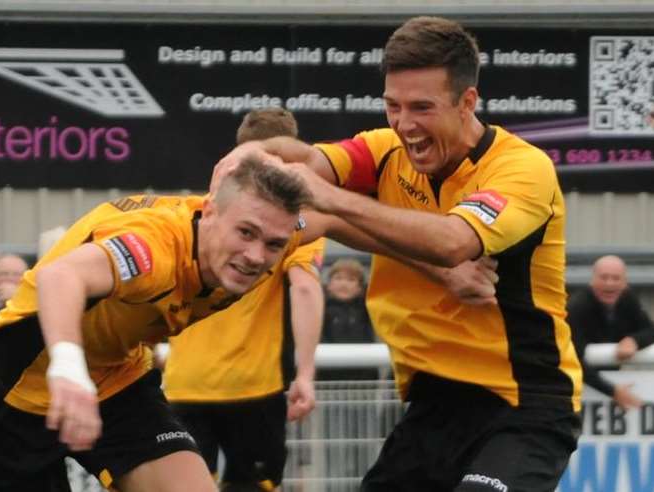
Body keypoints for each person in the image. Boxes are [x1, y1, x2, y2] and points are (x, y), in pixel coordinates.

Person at [216, 16, 582, 491]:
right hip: (434, 403)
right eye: (393, 106)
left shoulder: (520, 168)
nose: (405, 125)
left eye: (422, 107)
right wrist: (260, 151)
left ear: (467, 102)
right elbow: (307, 162)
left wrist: (330, 201)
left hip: (524, 402)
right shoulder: (384, 150)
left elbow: (452, 242)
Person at [0, 156, 313, 492]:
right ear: (211, 212)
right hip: (15, 387)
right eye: (245, 233)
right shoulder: (154, 249)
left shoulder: (280, 228)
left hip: (115, 381)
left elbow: (346, 214)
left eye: (273, 245)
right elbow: (60, 276)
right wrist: (68, 369)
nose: (255, 256)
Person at [164, 107, 323, 492]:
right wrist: (305, 373)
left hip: (183, 382)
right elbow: (304, 288)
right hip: (251, 386)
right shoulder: (290, 226)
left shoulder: (206, 209)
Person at [568, 255, 654, 410]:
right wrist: (613, 391)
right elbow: (574, 359)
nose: (609, 284)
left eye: (616, 278)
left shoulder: (627, 300)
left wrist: (634, 340)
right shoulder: (577, 307)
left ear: (625, 283)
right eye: (604, 277)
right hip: (580, 389)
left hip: (607, 388)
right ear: (592, 280)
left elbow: (649, 330)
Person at [318, 258, 378, 381]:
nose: (343, 284)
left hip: (363, 374)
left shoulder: (366, 309)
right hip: (328, 374)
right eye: (338, 278)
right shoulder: (320, 309)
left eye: (351, 280)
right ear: (328, 285)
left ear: (360, 288)